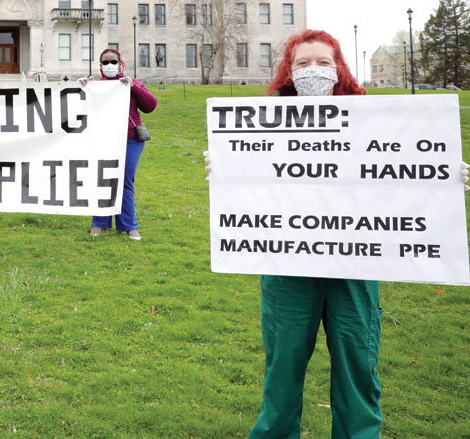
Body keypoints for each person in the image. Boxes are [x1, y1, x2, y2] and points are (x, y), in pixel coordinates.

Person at [206, 29, 469, 438]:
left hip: (355, 268)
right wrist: (225, 168)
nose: (314, 71)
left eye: (323, 63)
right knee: (283, 368)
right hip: (287, 267)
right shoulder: (263, 123)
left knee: (358, 367)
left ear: (339, 68)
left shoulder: (371, 120)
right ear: (288, 74)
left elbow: (401, 172)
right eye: (302, 64)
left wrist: (445, 177)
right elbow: (252, 183)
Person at [82, 48, 157, 240]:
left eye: (112, 62)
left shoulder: (129, 83)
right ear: (100, 66)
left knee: (125, 181)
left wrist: (133, 87)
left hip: (130, 140)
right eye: (105, 62)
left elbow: (150, 105)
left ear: (120, 64)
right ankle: (100, 222)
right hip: (104, 140)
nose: (109, 66)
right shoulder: (96, 86)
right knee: (103, 179)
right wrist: (83, 88)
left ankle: (129, 225)